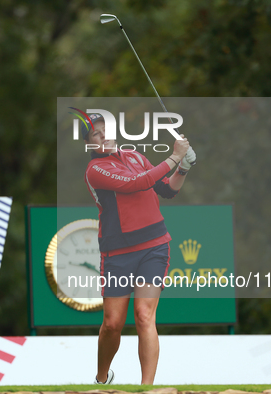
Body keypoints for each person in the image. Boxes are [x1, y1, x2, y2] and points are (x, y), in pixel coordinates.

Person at [81, 113, 196, 385]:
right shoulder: (95, 169)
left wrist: (183, 168)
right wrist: (173, 158)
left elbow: (166, 190)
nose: (104, 136)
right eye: (96, 135)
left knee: (145, 315)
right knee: (112, 324)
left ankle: (146, 389)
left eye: (105, 130)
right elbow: (136, 184)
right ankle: (101, 379)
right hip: (118, 253)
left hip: (154, 246)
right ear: (89, 144)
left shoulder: (134, 156)